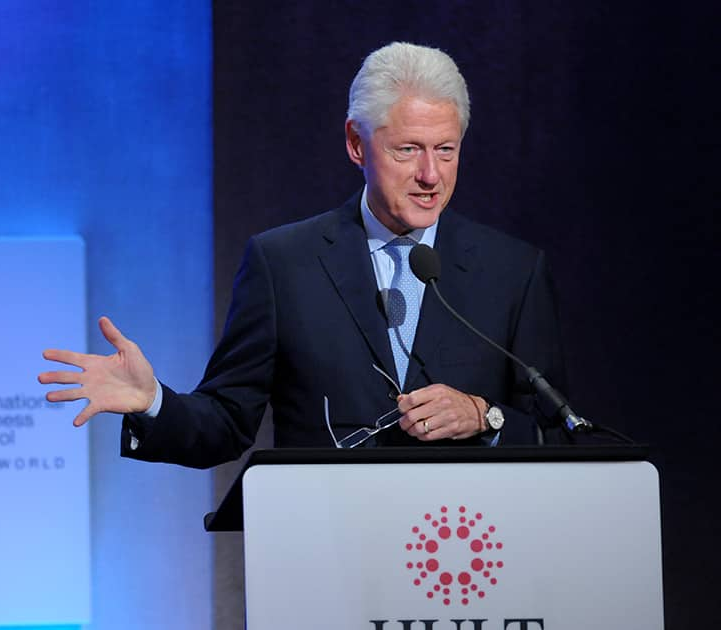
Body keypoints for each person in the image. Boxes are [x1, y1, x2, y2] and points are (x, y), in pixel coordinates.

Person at [38, 42, 567, 469]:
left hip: (465, 566)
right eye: (407, 149)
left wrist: (485, 416)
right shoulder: (284, 264)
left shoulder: (513, 272)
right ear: (356, 145)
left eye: (445, 149)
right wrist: (153, 400)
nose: (431, 175)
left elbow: (562, 434)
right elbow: (225, 423)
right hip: (325, 558)